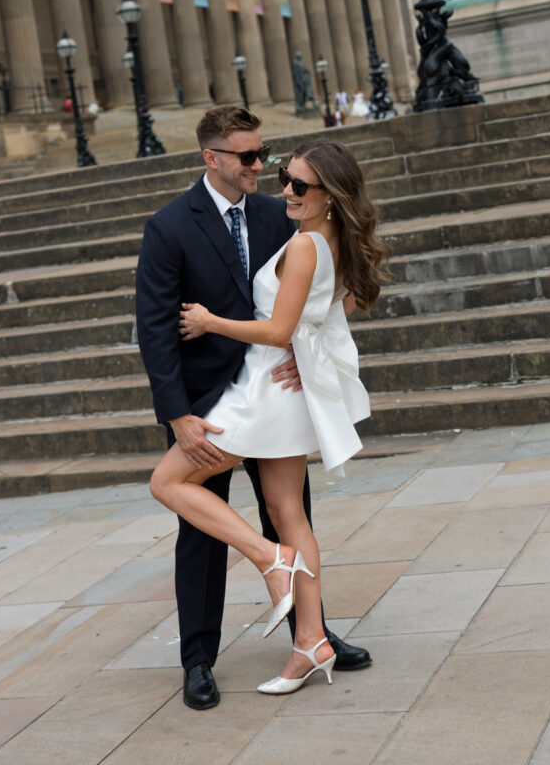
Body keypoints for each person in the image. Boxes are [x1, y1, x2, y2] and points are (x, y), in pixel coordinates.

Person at [136, 107, 373, 710]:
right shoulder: (169, 227)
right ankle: (198, 660)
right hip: (209, 402)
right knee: (202, 529)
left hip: (272, 393)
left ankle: (311, 634)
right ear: (211, 157)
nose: (263, 169)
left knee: (288, 514)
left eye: (266, 155)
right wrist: (177, 414)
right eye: (248, 157)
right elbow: (155, 331)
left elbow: (327, 298)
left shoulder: (283, 214)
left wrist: (304, 349)